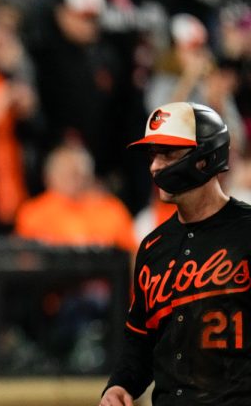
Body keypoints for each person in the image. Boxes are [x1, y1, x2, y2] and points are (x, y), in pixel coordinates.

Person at [101, 102, 251, 405]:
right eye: (153, 154)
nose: (155, 166)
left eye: (168, 154)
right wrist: (120, 386)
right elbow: (140, 342)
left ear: (204, 159)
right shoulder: (153, 247)